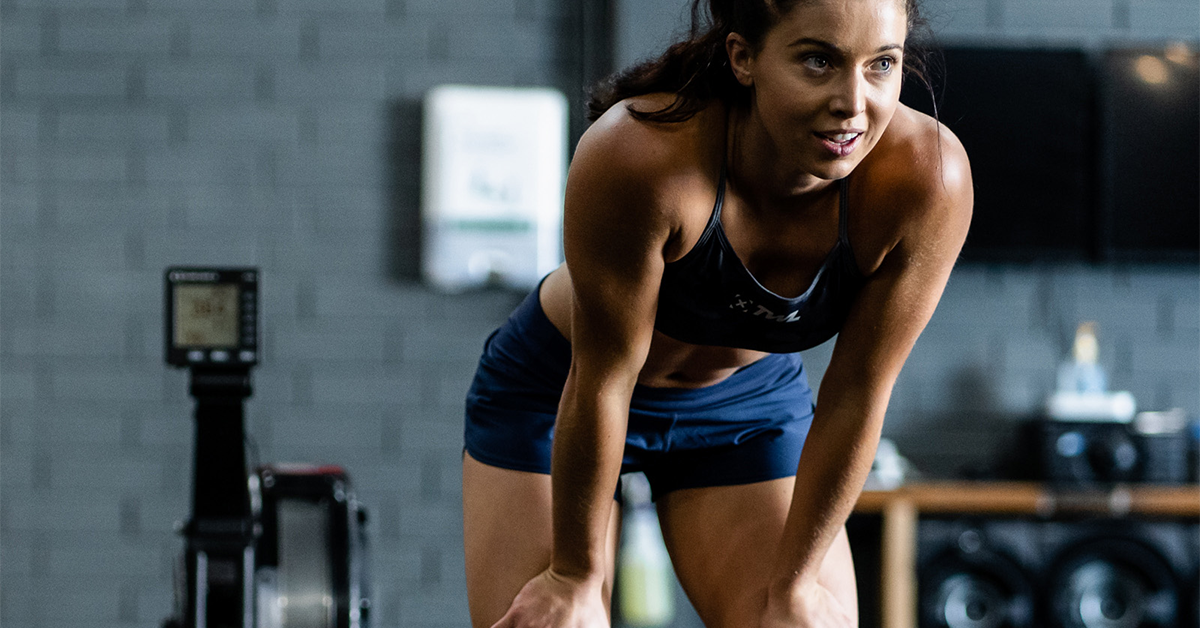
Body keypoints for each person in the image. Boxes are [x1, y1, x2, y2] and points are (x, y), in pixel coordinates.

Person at [462, 0, 972, 625]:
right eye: (818, 61)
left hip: (745, 406)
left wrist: (796, 585)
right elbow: (603, 377)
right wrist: (574, 573)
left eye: (881, 64)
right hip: (560, 392)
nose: (853, 102)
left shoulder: (926, 179)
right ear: (744, 57)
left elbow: (858, 392)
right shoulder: (642, 158)